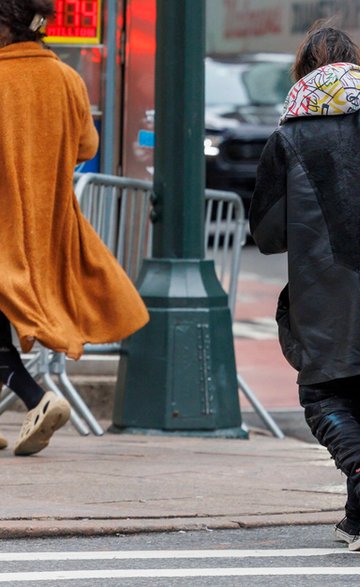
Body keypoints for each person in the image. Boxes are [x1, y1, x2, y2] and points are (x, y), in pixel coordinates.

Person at [249, 24, 360, 551]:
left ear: (305, 72)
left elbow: (267, 234)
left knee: (321, 395)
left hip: (323, 287)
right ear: (359, 66)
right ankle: (359, 517)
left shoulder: (289, 136)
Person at [0, 0, 149, 455]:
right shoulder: (67, 78)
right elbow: (87, 145)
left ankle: (37, 398)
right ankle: (35, 398)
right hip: (47, 223)